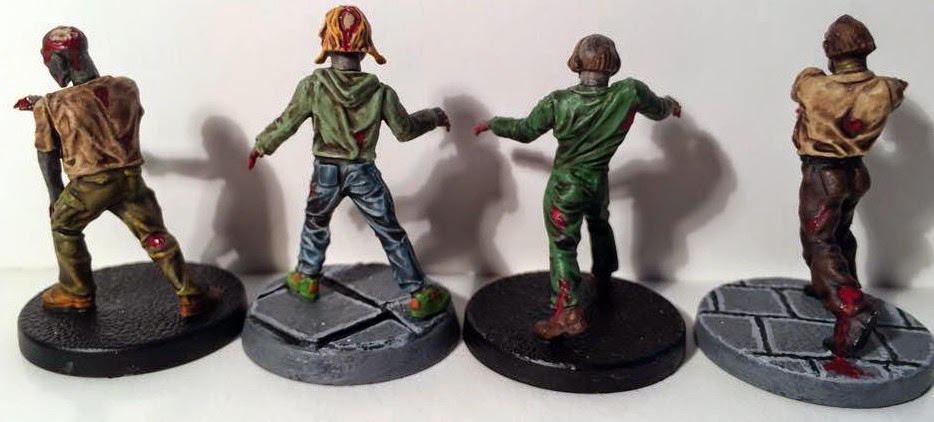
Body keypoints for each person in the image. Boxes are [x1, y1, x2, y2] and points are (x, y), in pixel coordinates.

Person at [248, 6, 451, 319]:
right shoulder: (381, 93)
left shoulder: (313, 86)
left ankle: (306, 278)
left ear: (326, 43)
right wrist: (434, 116)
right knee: (390, 232)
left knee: (315, 223)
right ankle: (419, 293)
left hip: (325, 172)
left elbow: (287, 123)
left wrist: (261, 146)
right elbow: (405, 130)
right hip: (362, 173)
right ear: (366, 47)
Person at [475, 34, 681, 339]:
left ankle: (567, 312)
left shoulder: (559, 101)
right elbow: (659, 108)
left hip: (566, 186)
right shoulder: (629, 92)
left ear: (577, 61)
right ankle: (604, 273)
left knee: (562, 246)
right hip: (598, 181)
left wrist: (494, 123)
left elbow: (525, 130)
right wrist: (672, 104)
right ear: (613, 63)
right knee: (599, 222)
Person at [14, 26, 209, 317]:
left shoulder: (52, 105)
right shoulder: (127, 87)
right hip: (130, 180)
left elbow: (47, 157)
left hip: (89, 186)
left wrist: (56, 198)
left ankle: (76, 291)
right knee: (154, 234)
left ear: (58, 61)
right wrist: (44, 104)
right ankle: (190, 295)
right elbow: (96, 105)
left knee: (64, 227)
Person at [791, 15, 907, 355]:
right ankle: (837, 285)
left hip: (823, 176)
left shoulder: (812, 83)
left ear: (830, 50)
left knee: (819, 242)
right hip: (856, 174)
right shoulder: (888, 88)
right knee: (839, 234)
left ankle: (851, 308)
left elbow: (800, 90)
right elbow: (895, 93)